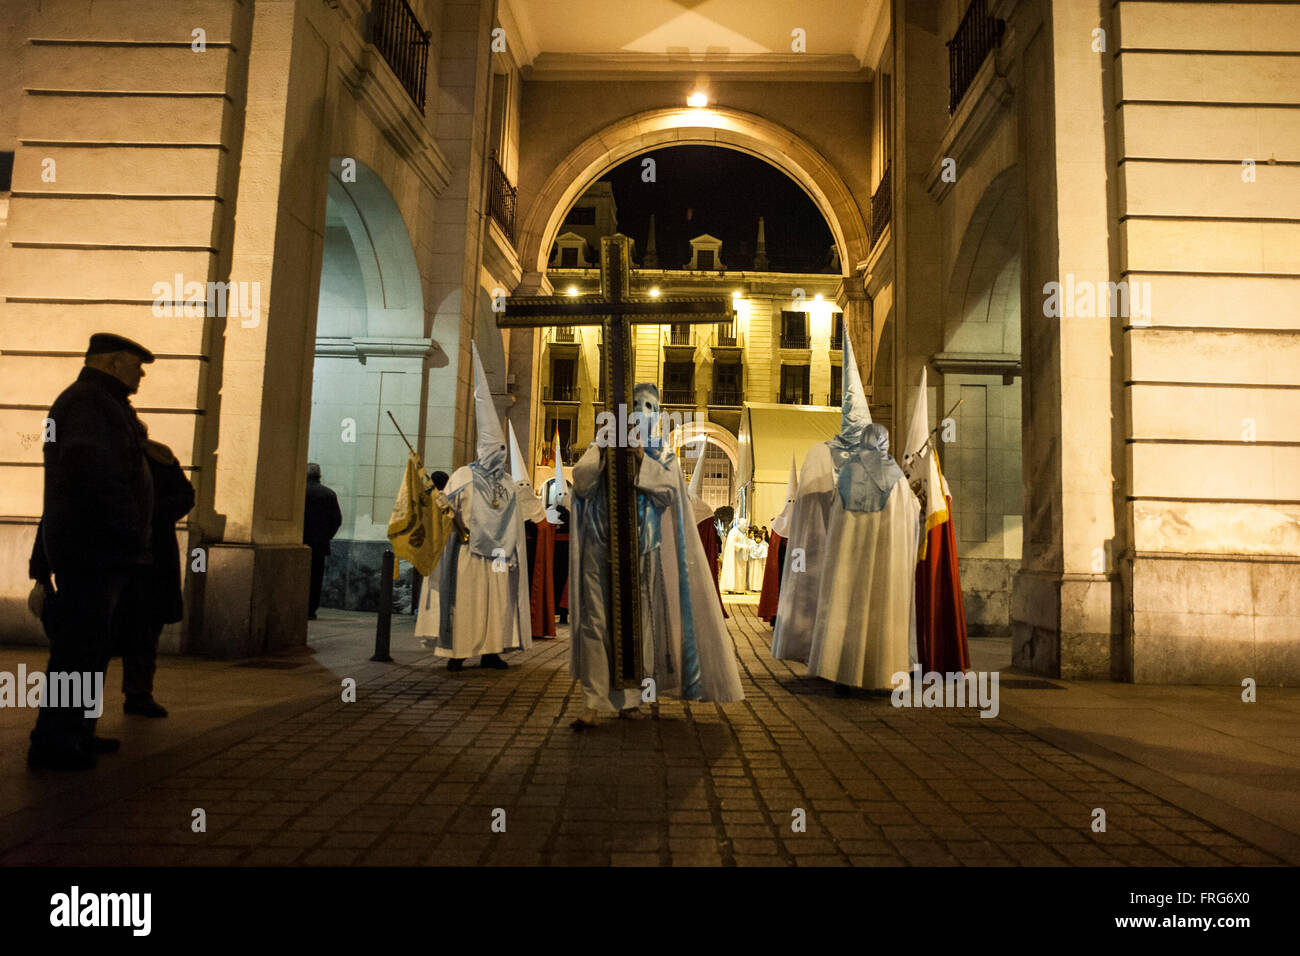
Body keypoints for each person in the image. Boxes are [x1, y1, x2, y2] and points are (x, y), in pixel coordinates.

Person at [568, 383, 743, 728]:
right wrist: (605, 453)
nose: (641, 413)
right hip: (599, 546)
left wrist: (639, 460)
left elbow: (666, 495)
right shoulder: (602, 443)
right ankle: (593, 702)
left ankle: (632, 700)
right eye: (636, 405)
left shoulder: (661, 454)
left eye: (649, 407)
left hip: (642, 550)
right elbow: (582, 482)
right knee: (596, 623)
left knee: (639, 626)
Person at [28, 333, 156, 771]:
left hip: (95, 549)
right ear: (115, 363)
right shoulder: (89, 403)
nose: (141, 374)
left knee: (89, 650)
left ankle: (77, 731)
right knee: (76, 651)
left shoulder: (99, 402)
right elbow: (95, 477)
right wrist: (128, 533)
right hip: (92, 550)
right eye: (136, 366)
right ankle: (54, 741)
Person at [793, 332, 921, 694]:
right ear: (883, 443)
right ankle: (880, 674)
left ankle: (841, 671)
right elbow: (910, 516)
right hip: (882, 567)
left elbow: (834, 519)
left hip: (848, 565)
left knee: (845, 608)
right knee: (880, 611)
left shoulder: (846, 476)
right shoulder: (895, 478)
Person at [432, 343, 531, 671]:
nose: (499, 455)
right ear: (482, 449)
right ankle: (458, 653)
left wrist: (514, 552)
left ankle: (491, 651)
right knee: (468, 604)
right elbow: (443, 508)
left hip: (500, 558)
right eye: (494, 449)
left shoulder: (507, 483)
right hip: (469, 554)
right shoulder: (463, 476)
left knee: (495, 605)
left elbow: (516, 519)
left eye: (502, 450)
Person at [303, 463, 342, 620]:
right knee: (315, 579)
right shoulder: (329, 494)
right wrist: (327, 535)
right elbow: (337, 520)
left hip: (299, 541)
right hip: (319, 544)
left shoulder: (298, 492)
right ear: (319, 475)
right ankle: (311, 609)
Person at [718, 516, 749, 593]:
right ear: (739, 524)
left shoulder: (742, 533)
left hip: (741, 557)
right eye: (744, 524)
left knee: (741, 573)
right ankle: (734, 588)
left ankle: (740, 589)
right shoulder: (734, 532)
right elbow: (731, 544)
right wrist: (741, 546)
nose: (746, 526)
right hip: (735, 557)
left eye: (746, 524)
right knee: (737, 572)